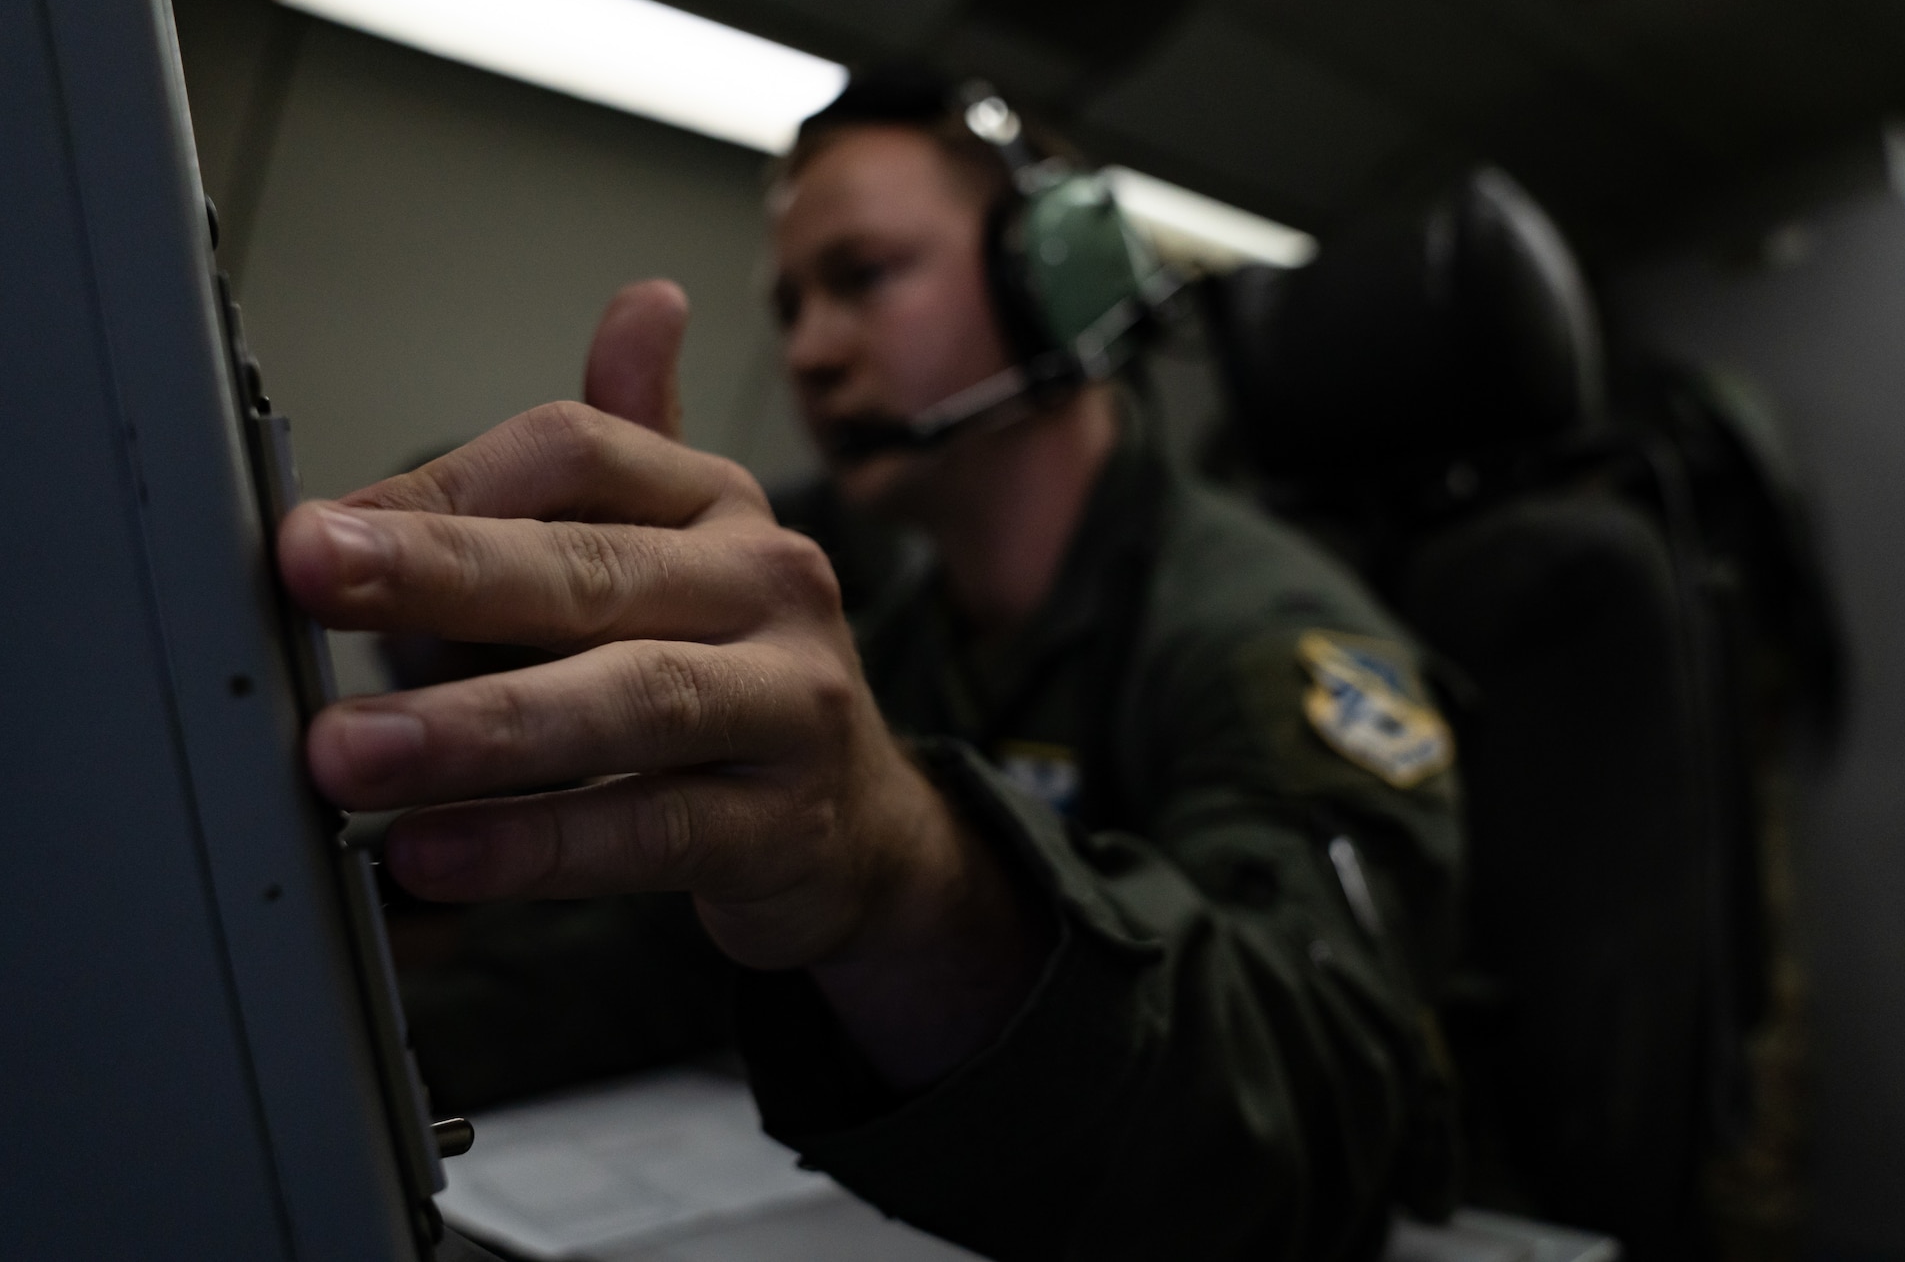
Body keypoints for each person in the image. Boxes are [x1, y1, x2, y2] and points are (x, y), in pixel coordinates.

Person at [277, 69, 1463, 1261]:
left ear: (1057, 276)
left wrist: (902, 874)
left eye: (862, 278)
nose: (810, 351)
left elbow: (1318, 1118)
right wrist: (328, 1042)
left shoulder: (1263, 638)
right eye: (789, 306)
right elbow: (656, 962)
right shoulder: (898, 631)